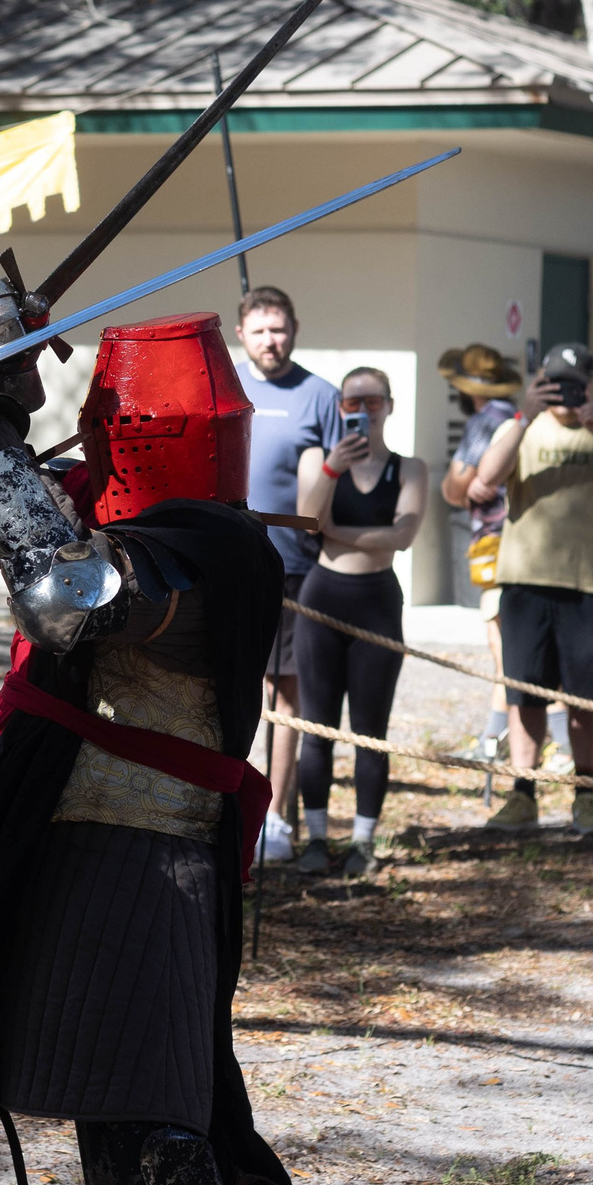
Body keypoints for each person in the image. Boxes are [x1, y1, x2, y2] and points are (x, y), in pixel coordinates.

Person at [0, 309, 403, 1185]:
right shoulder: (87, 509)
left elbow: (71, 602)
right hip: (11, 844)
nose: (95, 435)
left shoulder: (217, 549)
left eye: (112, 423)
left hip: (133, 875)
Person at [468, 343, 593, 835]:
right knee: (525, 693)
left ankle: (585, 797)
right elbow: (486, 477)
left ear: (590, 385)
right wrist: (524, 414)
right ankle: (523, 796)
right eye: (556, 382)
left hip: (587, 584)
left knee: (585, 698)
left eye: (576, 383)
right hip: (525, 582)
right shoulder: (519, 427)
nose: (566, 392)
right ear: (542, 381)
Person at [292, 366, 426, 875]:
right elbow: (308, 520)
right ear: (340, 406)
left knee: (370, 730)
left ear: (389, 405)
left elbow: (402, 536)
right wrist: (331, 471)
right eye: (355, 400)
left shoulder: (408, 468)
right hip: (322, 598)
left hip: (377, 599)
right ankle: (317, 839)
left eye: (375, 400)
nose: (365, 408)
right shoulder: (316, 460)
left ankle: (364, 841)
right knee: (316, 728)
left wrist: (336, 532)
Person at [233, 285, 342, 864]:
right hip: (226, 564)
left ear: (294, 329)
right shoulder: (224, 386)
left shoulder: (321, 396)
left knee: (283, 692)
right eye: (259, 331)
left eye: (278, 329)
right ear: (240, 334)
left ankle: (276, 815)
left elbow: (335, 484)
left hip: (293, 568)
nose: (270, 341)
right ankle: (226, 800)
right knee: (227, 683)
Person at [438, 344, 539, 767]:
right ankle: (500, 736)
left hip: (498, 551)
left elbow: (454, 488)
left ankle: (497, 740)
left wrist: (470, 482)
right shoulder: (522, 418)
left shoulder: (485, 422)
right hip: (535, 546)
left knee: (504, 650)